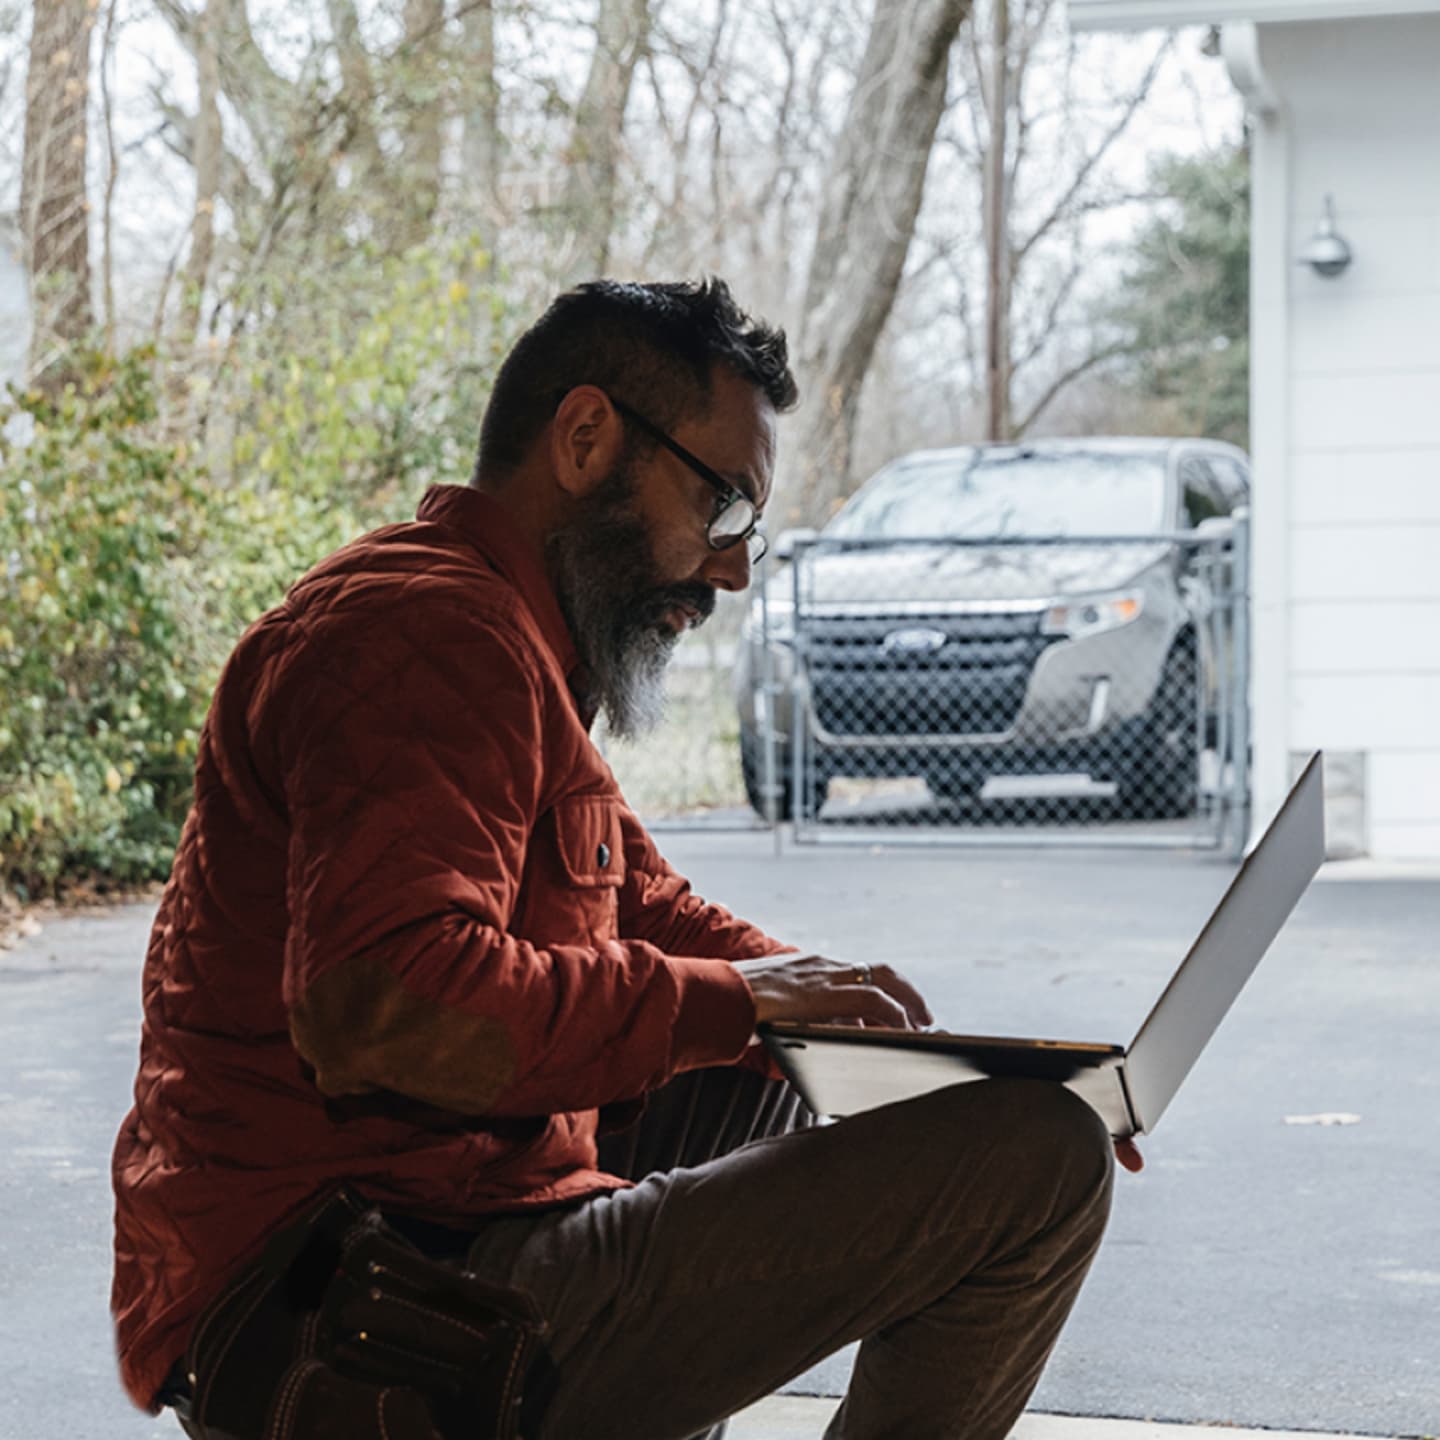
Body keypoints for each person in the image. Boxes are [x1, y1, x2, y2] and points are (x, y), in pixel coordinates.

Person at [111, 278, 1134, 1440]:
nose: (734, 569)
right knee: (1040, 1166)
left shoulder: (507, 636)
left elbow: (644, 911)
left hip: (430, 1222)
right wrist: (751, 1007)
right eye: (724, 510)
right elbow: (387, 1007)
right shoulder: (426, 636)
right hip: (353, 1287)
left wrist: (904, 1050)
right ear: (589, 438)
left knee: (798, 1076)